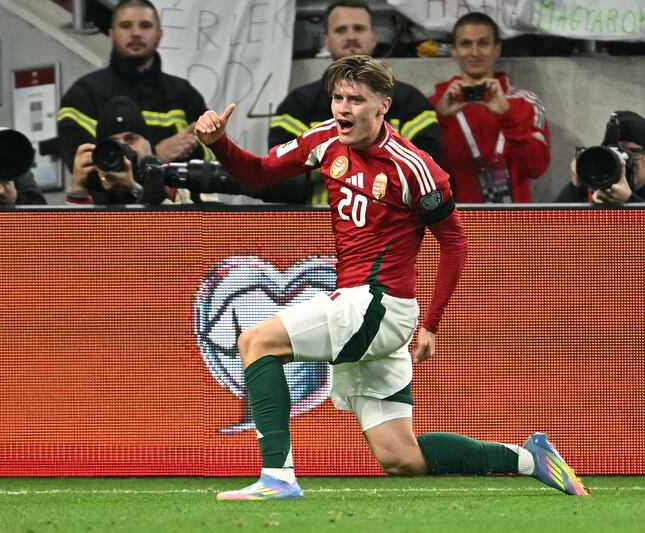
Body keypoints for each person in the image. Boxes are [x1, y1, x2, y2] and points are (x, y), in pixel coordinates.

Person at [195, 55, 588, 500]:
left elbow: (455, 244)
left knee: (255, 342)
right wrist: (221, 143)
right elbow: (259, 172)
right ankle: (529, 457)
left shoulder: (413, 168)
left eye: (356, 100)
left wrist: (432, 324)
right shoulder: (325, 140)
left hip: (378, 306)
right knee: (401, 458)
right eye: (338, 98)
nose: (343, 108)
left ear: (383, 106)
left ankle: (277, 478)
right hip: (359, 305)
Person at [269, 0, 441, 205]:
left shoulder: (410, 101)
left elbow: (427, 170)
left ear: (373, 38)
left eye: (359, 29)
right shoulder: (297, 106)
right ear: (326, 41)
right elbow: (284, 177)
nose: (351, 37)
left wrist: (328, 164)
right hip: (320, 225)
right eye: (341, 30)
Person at [57, 0, 208, 177]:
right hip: (115, 205)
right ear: (111, 35)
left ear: (159, 35)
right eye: (126, 26)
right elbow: (86, 171)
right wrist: (155, 156)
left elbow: (214, 165)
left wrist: (196, 149)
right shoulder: (83, 95)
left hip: (181, 204)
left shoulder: (185, 94)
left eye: (145, 26)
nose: (136, 33)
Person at [429, 12, 550, 203]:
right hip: (455, 224)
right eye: (466, 44)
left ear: (497, 49)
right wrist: (439, 120)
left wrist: (507, 116)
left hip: (513, 224)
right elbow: (418, 176)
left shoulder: (525, 103)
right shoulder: (435, 105)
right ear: (454, 50)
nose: (475, 52)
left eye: (483, 43)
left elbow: (535, 168)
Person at [555, 110, 645, 204]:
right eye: (617, 153)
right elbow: (551, 226)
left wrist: (629, 201)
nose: (624, 162)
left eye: (634, 153)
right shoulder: (596, 184)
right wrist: (577, 188)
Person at [66, 96, 152, 205]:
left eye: (130, 138)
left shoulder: (167, 185)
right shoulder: (94, 194)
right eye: (113, 143)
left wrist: (133, 188)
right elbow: (76, 222)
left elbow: (167, 219)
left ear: (148, 144)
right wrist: (78, 188)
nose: (121, 147)